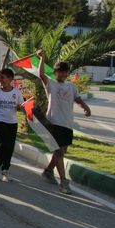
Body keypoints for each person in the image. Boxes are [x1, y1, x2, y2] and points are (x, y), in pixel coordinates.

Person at [37, 50, 91, 194]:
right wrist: (42, 58)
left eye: (64, 72)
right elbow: (41, 74)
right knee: (59, 152)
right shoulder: (51, 84)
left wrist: (86, 107)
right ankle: (63, 182)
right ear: (55, 72)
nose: (61, 74)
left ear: (67, 73)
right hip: (54, 123)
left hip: (67, 123)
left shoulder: (71, 87)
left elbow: (77, 99)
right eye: (59, 71)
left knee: (62, 152)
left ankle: (48, 171)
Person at [0, 68, 24, 182]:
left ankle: (5, 169)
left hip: (12, 121)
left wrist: (20, 107)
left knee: (10, 147)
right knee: (4, 143)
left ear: (10, 79)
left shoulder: (16, 92)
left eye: (2, 77)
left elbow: (21, 106)